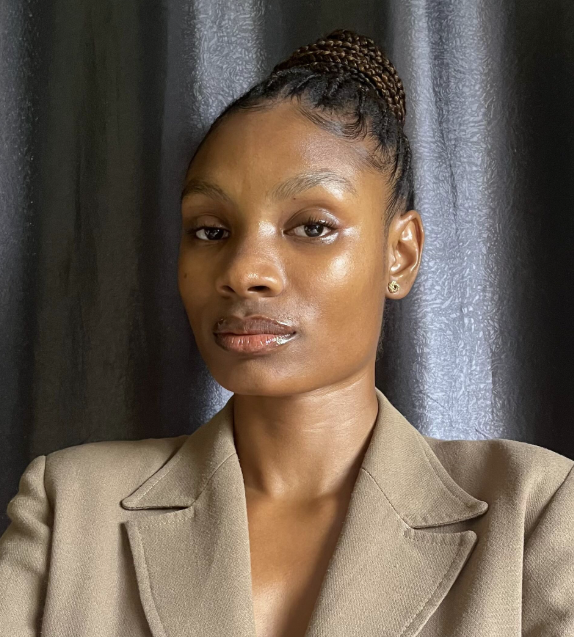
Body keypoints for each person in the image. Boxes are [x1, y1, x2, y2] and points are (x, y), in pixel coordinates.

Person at [0, 27, 573, 637]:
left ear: (400, 254)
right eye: (211, 231)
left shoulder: (534, 511)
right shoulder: (70, 509)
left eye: (312, 227)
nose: (243, 272)